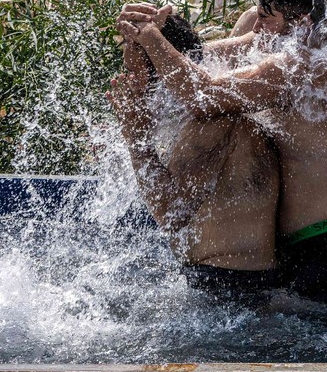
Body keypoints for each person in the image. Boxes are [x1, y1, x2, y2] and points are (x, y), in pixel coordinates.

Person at [119, 0, 327, 301]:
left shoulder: (298, 67)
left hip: (326, 246)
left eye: (265, 18)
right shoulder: (311, 50)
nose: (255, 28)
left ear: (300, 22)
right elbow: (201, 56)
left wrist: (150, 36)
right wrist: (166, 31)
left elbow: (203, 94)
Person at [108, 15, 281, 295]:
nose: (128, 79)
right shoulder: (205, 109)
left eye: (133, 71)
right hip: (234, 279)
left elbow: (172, 214)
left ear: (160, 67)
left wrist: (136, 138)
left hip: (227, 287)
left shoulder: (211, 124)